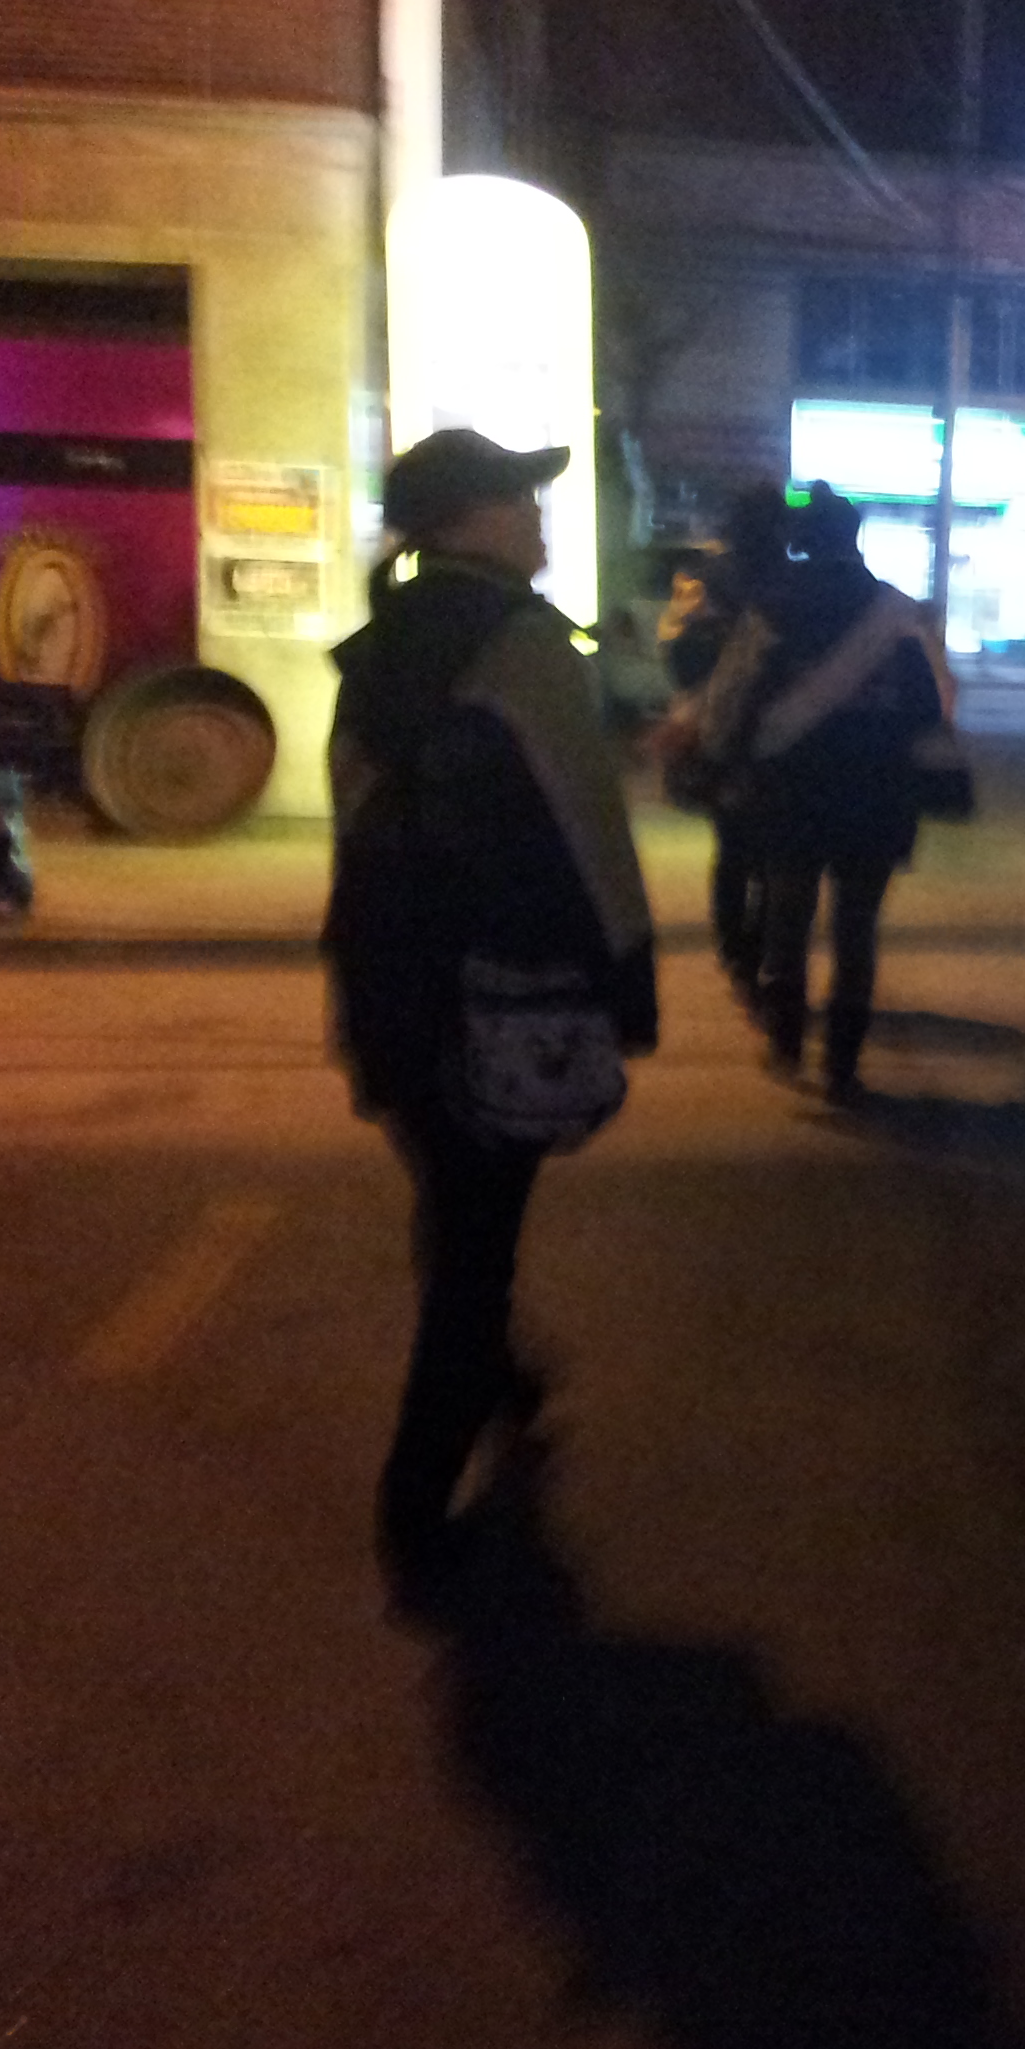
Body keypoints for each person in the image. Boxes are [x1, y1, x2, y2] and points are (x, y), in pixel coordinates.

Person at [324, 427, 659, 1614]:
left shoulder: (378, 647)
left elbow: (358, 833)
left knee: (456, 1210)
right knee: (474, 1255)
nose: (539, 515)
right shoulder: (522, 646)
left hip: (387, 985)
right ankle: (415, 1518)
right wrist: (630, 976)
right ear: (473, 518)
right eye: (522, 497)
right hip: (497, 994)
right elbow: (589, 827)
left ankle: (505, 1381)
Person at [703, 482, 947, 1102]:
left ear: (802, 543)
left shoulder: (773, 608)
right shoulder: (896, 614)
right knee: (856, 932)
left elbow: (734, 698)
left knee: (787, 918)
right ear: (856, 538)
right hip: (875, 797)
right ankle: (842, 1063)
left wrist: (727, 764)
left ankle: (786, 1042)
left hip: (791, 796)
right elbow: (927, 710)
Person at [655, 483, 791, 1012]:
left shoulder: (703, 577)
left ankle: (736, 955)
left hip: (720, 728)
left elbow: (676, 654)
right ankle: (757, 951)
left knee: (733, 847)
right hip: (781, 731)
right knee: (773, 852)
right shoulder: (790, 580)